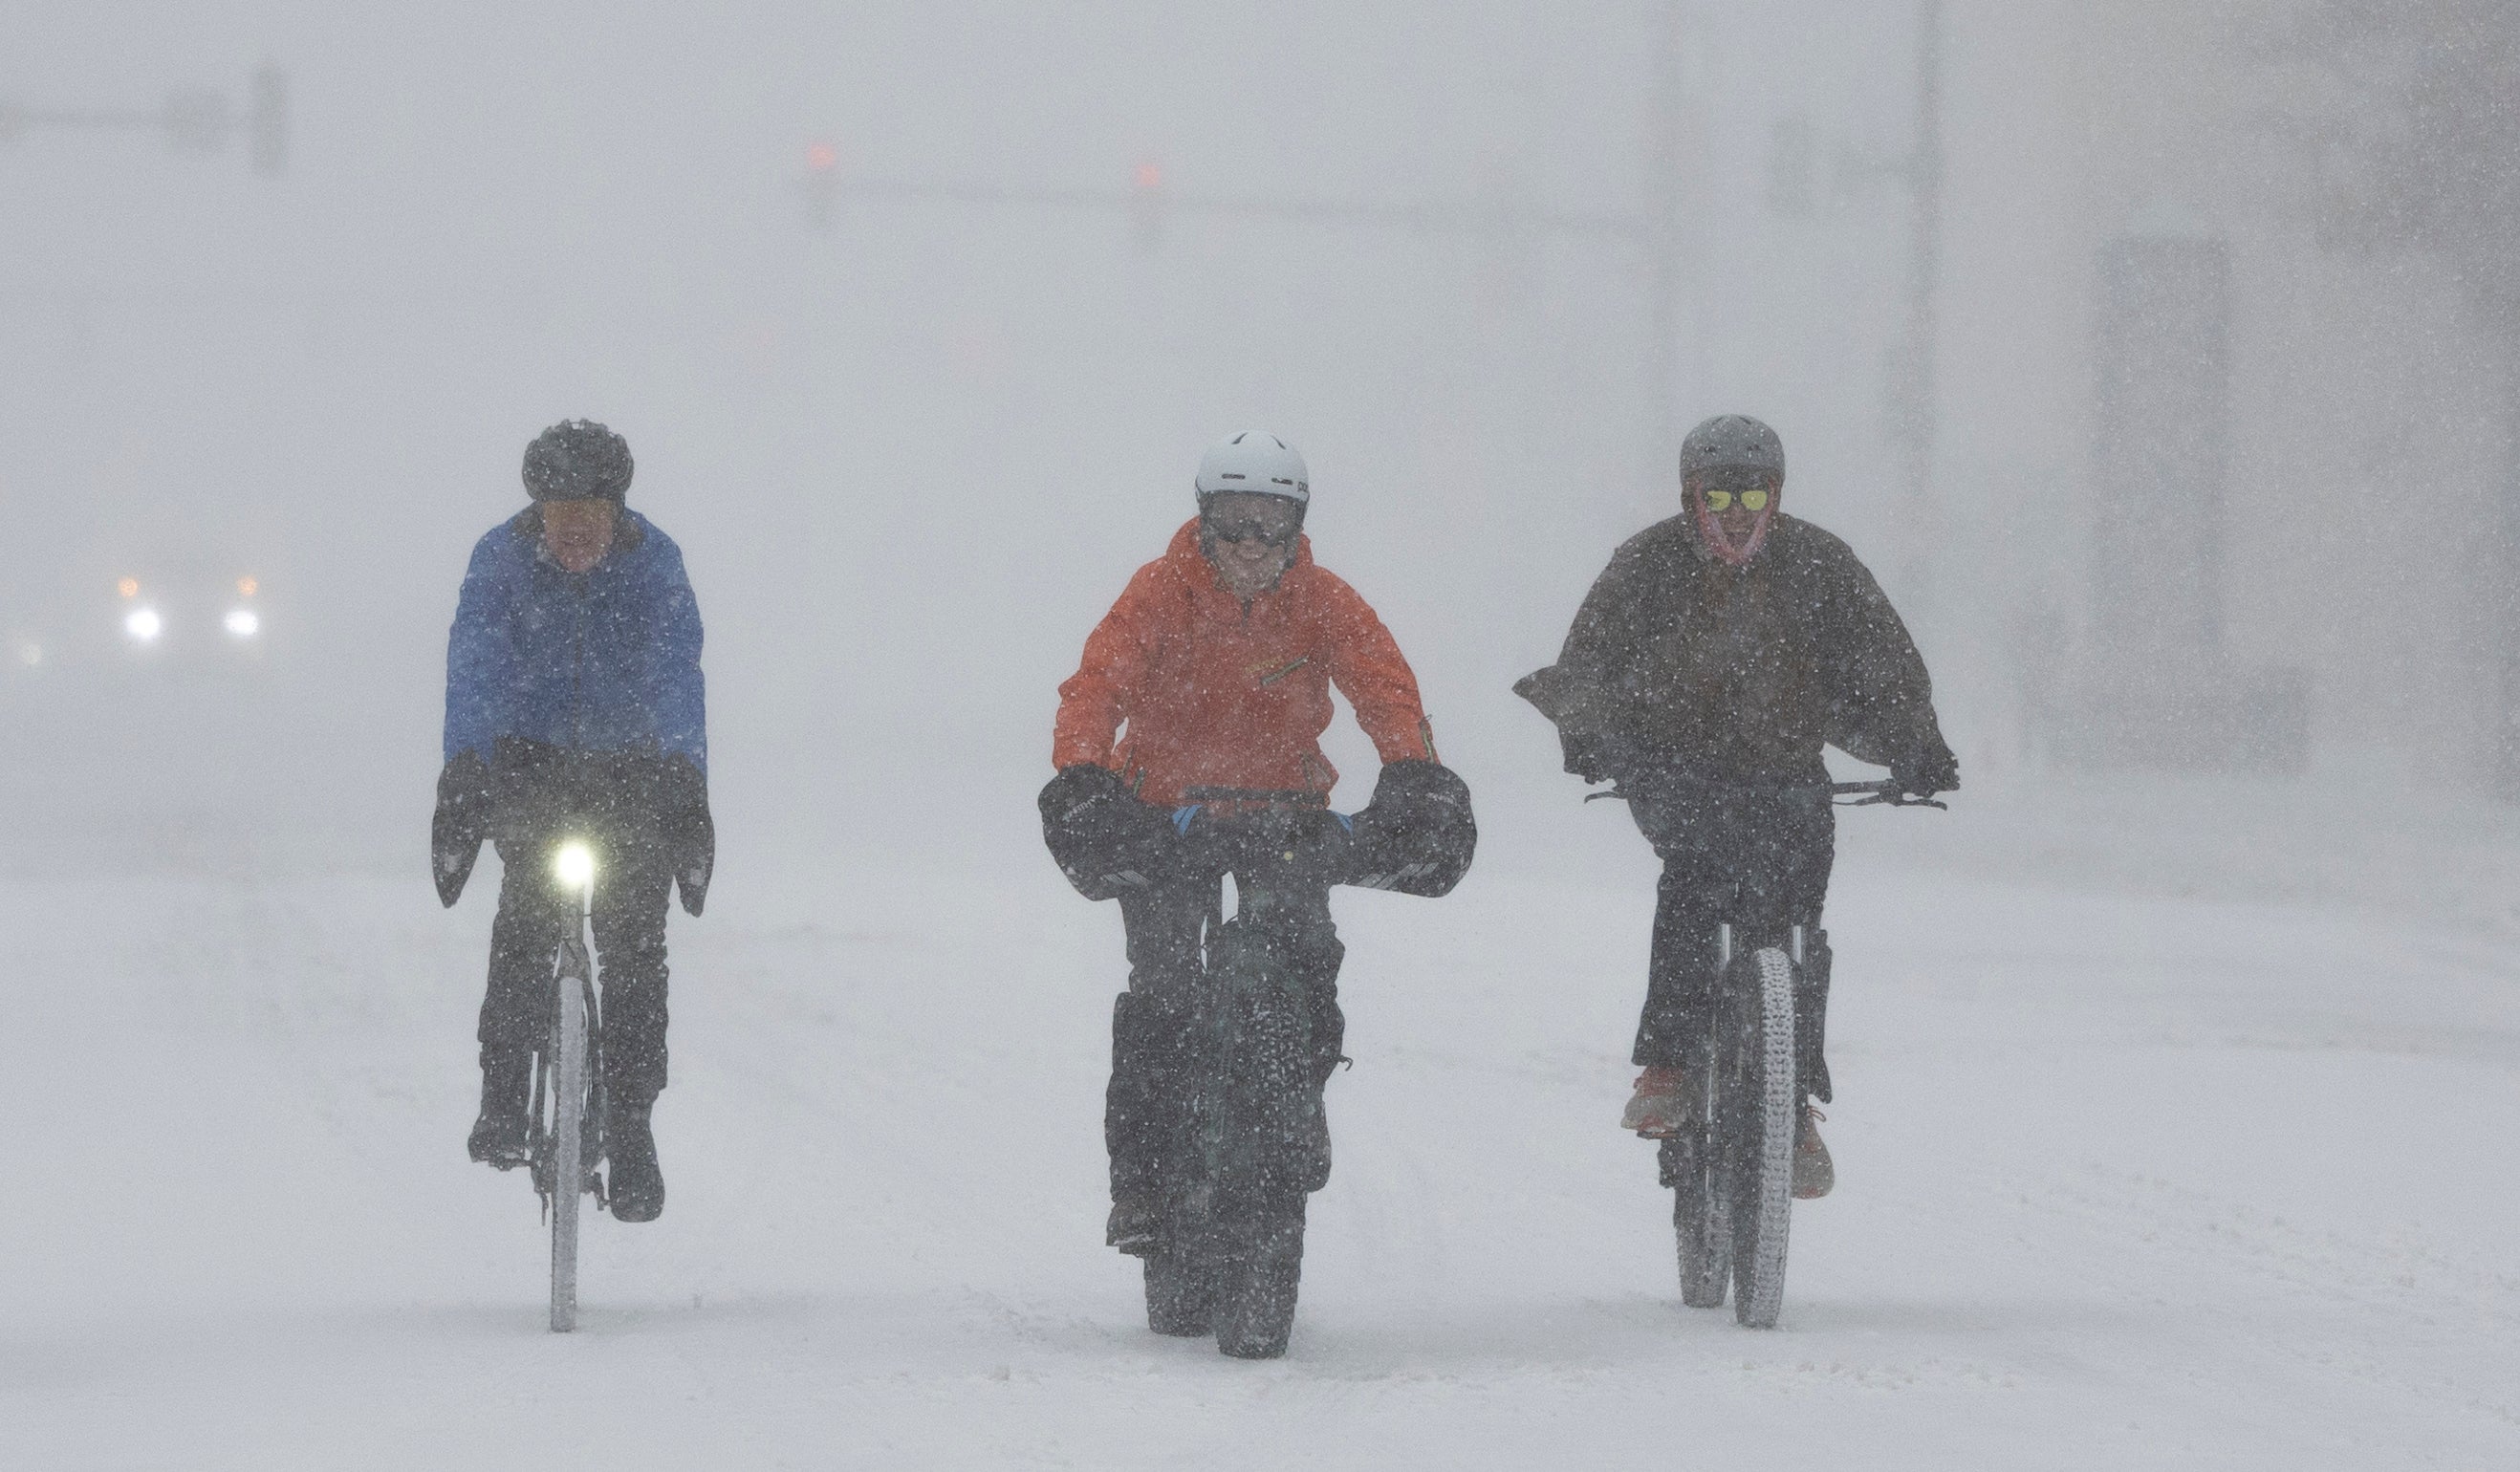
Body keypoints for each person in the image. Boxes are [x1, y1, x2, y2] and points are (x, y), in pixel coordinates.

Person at [1042, 431, 1473, 1269]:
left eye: (1270, 524)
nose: (1250, 544)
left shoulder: (1325, 601)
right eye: (1234, 523)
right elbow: (1097, 684)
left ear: (1297, 526)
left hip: (1285, 814)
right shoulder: (1160, 592)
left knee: (1308, 959)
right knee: (1162, 991)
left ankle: (1292, 1104)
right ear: (1203, 523)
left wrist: (1413, 766)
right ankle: (1141, 1184)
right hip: (1165, 817)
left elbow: (1384, 685)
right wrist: (1083, 772)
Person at [1515, 414, 1954, 1199]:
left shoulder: (1821, 564)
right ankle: (1671, 1061)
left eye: (1755, 492)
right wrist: (1589, 735)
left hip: (1785, 770)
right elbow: (1590, 661)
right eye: (1721, 492)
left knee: (1797, 913)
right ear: (1692, 496)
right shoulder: (1646, 564)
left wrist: (1916, 745)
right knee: (1695, 874)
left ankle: (1791, 1097)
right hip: (1675, 770)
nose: (1739, 508)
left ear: (1777, 496)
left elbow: (1882, 662)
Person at [430, 419, 712, 1224]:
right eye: (561, 518)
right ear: (537, 514)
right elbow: (474, 667)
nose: (576, 533)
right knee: (523, 921)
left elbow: (677, 676)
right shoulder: (500, 561)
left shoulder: (655, 564)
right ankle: (502, 1095)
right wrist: (465, 776)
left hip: (632, 771)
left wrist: (686, 786)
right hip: (532, 766)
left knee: (633, 947)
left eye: (590, 516)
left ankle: (631, 1126)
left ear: (618, 510)